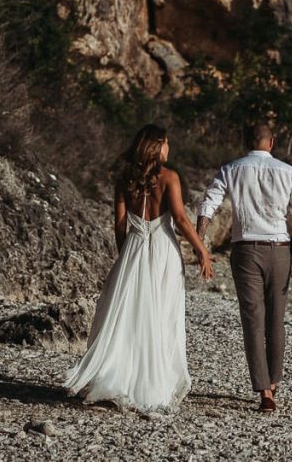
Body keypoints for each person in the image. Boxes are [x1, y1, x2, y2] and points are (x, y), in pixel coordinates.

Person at [63, 123, 214, 413]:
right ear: (157, 146)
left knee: (128, 316)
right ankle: (155, 383)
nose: (169, 149)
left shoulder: (125, 177)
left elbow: (119, 223)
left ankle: (121, 379)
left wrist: (125, 255)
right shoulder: (169, 177)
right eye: (167, 143)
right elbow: (181, 220)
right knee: (162, 314)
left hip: (133, 249)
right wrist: (202, 252)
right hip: (163, 252)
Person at [196, 122, 292, 413]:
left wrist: (201, 245)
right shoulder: (288, 172)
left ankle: (265, 392)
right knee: (276, 319)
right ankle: (273, 383)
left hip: (246, 249)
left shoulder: (231, 168)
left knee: (253, 320)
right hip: (280, 251)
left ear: (245, 141)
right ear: (272, 142)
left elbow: (207, 205)